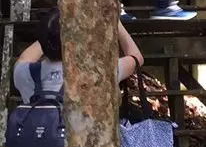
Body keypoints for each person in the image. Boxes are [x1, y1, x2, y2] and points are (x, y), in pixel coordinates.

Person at [13, 8, 145, 104]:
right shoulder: (97, 72)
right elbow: (136, 58)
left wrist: (51, 31)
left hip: (39, 140)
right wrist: (116, 22)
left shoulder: (26, 74)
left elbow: (25, 58)